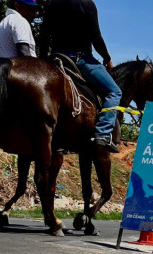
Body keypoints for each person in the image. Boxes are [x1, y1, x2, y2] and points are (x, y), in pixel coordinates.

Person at [41, 0, 121, 153]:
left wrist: (45, 61)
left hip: (56, 57)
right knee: (114, 91)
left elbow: (44, 35)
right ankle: (103, 134)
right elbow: (96, 37)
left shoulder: (53, 4)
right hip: (80, 60)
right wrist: (106, 58)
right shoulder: (87, 4)